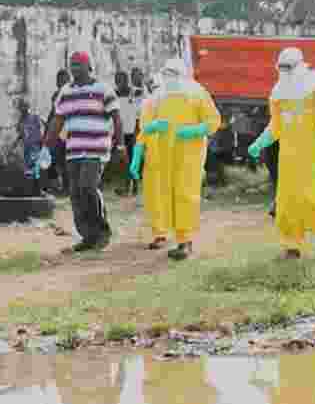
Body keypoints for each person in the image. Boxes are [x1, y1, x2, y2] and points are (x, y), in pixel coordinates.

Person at [248, 48, 315, 259]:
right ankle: (292, 246)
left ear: (299, 66)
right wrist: (259, 143)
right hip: (288, 155)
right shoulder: (278, 93)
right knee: (287, 202)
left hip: (311, 151)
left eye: (288, 68)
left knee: (311, 199)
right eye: (281, 68)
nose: (285, 72)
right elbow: (276, 126)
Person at [129, 58, 221, 260]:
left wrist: (195, 130)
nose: (169, 78)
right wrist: (149, 136)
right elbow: (146, 128)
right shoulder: (160, 97)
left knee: (186, 196)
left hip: (190, 156)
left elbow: (214, 121)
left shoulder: (197, 94)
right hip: (165, 157)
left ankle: (185, 242)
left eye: (173, 74)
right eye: (166, 74)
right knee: (169, 198)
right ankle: (175, 238)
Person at [42, 51, 123, 253]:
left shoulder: (103, 89)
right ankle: (87, 237)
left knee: (88, 187)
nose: (75, 69)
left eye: (78, 65)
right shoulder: (65, 92)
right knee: (76, 193)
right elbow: (57, 120)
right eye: (72, 65)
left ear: (89, 67)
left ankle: (102, 232)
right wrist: (46, 146)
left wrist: (120, 144)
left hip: (97, 149)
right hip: (74, 150)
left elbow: (116, 117)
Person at [115, 71, 143, 196]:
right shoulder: (114, 94)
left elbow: (139, 112)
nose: (119, 83)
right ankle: (126, 186)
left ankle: (135, 186)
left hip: (132, 131)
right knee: (124, 161)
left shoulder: (135, 93)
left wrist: (138, 130)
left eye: (122, 80)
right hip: (120, 132)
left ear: (127, 80)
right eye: (117, 80)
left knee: (132, 160)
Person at [46, 69, 71, 196]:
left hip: (69, 131)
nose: (60, 83)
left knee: (66, 161)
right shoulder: (56, 95)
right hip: (58, 131)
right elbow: (53, 113)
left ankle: (67, 187)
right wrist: (47, 129)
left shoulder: (72, 93)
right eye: (59, 80)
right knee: (55, 158)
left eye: (63, 80)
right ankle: (57, 185)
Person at [19, 98, 46, 195]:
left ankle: (38, 190)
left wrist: (43, 139)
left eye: (24, 106)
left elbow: (44, 124)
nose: (22, 109)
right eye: (21, 107)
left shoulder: (35, 117)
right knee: (29, 169)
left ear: (27, 107)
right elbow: (21, 134)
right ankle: (31, 190)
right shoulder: (21, 120)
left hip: (35, 146)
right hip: (27, 147)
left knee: (35, 169)